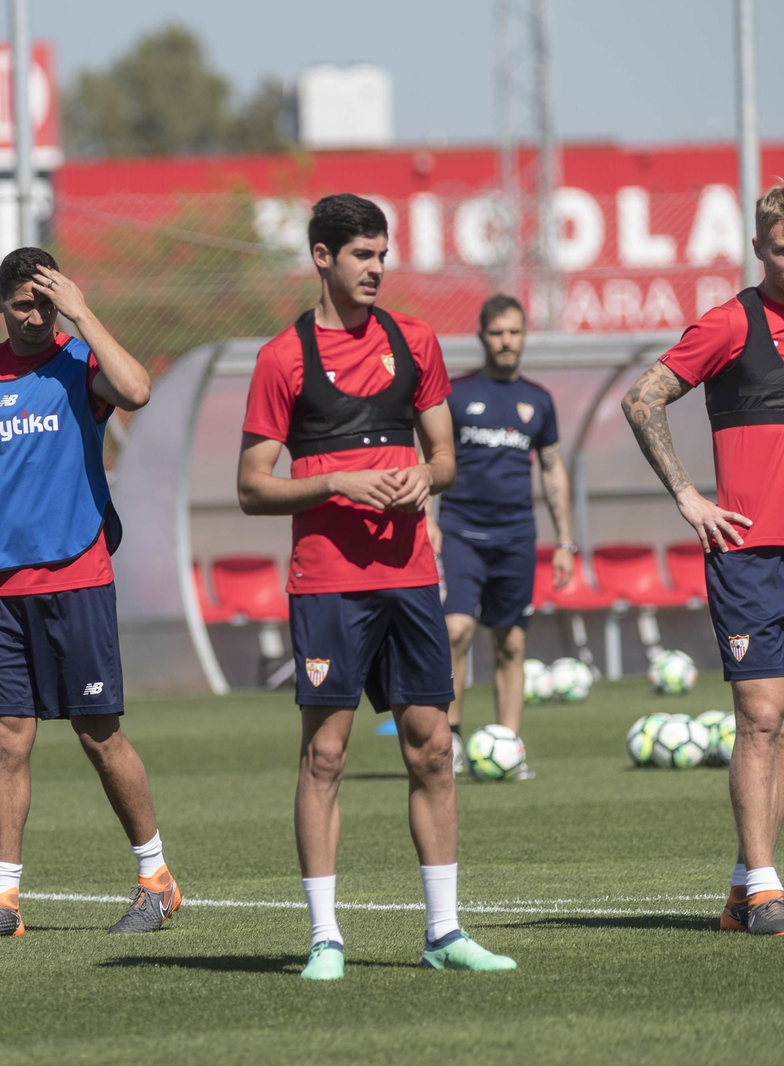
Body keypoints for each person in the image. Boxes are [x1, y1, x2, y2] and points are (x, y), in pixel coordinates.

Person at [236, 193, 516, 980]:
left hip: (411, 578)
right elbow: (253, 487)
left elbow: (446, 459)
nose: (376, 269)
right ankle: (326, 937)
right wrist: (337, 486)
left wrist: (420, 479)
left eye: (382, 255)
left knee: (433, 748)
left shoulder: (415, 340)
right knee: (325, 756)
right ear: (321, 257)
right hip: (327, 585)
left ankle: (445, 933)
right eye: (362, 255)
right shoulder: (281, 359)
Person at [0, 247, 182, 939]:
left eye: (46, 301)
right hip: (3, 588)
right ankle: (4, 902)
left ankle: (156, 879)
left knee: (99, 736)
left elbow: (140, 390)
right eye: (23, 303)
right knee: (6, 742)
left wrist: (84, 313)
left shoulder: (78, 362)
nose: (36, 316)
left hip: (79, 576)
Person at [621, 181, 784, 937]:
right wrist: (689, 495)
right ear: (759, 249)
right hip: (748, 551)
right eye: (782, 246)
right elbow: (643, 399)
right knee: (760, 717)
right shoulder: (729, 324)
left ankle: (748, 882)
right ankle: (763, 888)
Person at [427, 294, 575, 777]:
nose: (506, 341)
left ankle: (509, 746)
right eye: (497, 333)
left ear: (524, 335)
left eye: (514, 332)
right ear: (482, 337)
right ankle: (449, 739)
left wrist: (565, 541)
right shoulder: (455, 392)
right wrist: (426, 520)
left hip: (516, 536)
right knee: (456, 630)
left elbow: (552, 470)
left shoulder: (539, 400)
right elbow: (431, 459)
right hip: (461, 533)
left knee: (511, 642)